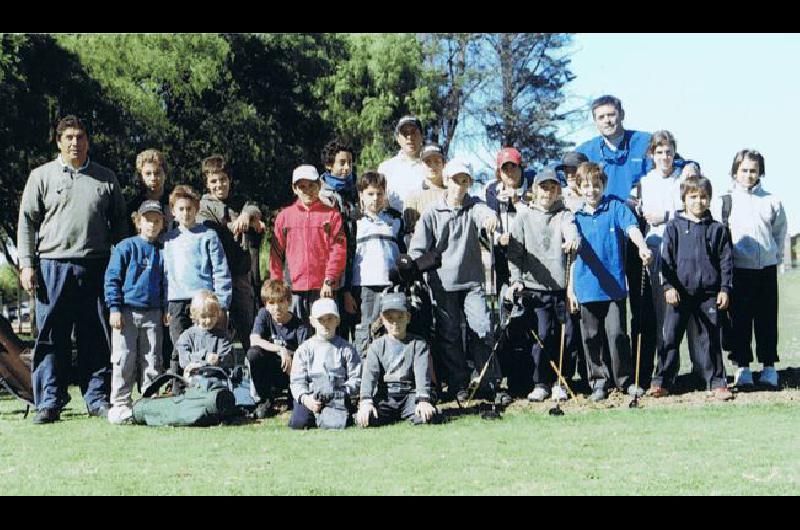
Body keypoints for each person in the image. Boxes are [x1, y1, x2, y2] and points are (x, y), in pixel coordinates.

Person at [18, 115, 128, 424]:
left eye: (80, 137)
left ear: (88, 141)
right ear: (58, 142)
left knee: (95, 334)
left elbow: (120, 223)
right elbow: (26, 222)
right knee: (52, 336)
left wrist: (120, 265)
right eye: (68, 137)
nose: (74, 142)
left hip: (96, 265)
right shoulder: (42, 176)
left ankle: (96, 397)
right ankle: (49, 400)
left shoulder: (105, 178)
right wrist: (27, 264)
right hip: (52, 265)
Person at [408, 159, 505, 404]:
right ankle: (458, 384)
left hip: (472, 282)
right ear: (446, 181)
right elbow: (417, 250)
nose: (459, 186)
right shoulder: (432, 212)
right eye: (455, 180)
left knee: (483, 329)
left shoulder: (474, 206)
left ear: (469, 183)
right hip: (442, 285)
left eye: (465, 181)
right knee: (449, 336)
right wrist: (417, 267)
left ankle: (488, 382)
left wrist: (491, 220)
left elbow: (485, 215)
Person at [568, 162, 652, 402]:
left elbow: (632, 229)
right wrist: (571, 289)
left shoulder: (616, 207)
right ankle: (598, 382)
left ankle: (624, 381)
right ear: (578, 188)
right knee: (591, 338)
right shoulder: (575, 216)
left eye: (596, 185)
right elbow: (573, 256)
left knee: (616, 335)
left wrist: (642, 247)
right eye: (585, 186)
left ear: (603, 185)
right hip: (586, 286)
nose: (591, 190)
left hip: (614, 286)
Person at [649, 176, 734, 400]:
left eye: (703, 197)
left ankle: (716, 382)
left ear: (709, 199)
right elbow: (665, 260)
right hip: (678, 293)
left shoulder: (718, 229)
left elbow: (726, 262)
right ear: (684, 199)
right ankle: (662, 382)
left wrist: (725, 289)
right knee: (670, 337)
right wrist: (668, 287)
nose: (699, 202)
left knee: (710, 338)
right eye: (693, 197)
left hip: (708, 294)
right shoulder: (674, 227)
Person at [713, 150, 787, 390]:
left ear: (760, 172)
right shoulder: (725, 201)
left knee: (766, 320)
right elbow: (720, 235)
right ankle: (742, 368)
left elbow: (779, 232)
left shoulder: (771, 200)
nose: (748, 175)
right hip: (738, 271)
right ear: (735, 171)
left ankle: (768, 368)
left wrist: (775, 258)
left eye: (753, 170)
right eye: (744, 170)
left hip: (765, 269)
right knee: (739, 323)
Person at [506, 168, 580, 402]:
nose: (547, 192)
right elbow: (514, 254)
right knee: (541, 336)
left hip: (561, 288)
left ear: (558, 190)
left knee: (567, 337)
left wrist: (572, 239)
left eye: (552, 187)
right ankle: (541, 383)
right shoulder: (524, 217)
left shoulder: (564, 215)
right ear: (534, 190)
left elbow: (572, 231)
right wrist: (516, 280)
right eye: (543, 187)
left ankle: (562, 381)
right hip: (534, 288)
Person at [104, 201, 168, 424]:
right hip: (126, 313)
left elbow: (166, 282)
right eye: (147, 219)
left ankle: (149, 402)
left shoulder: (162, 250)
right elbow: (112, 279)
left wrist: (165, 308)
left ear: (162, 223)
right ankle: (120, 404)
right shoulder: (126, 247)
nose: (152, 224)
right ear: (138, 222)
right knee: (123, 359)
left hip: (153, 313)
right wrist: (114, 308)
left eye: (157, 220)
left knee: (152, 359)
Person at [163, 185, 232, 377]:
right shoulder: (168, 239)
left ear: (197, 209)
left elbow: (220, 269)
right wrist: (164, 306)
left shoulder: (208, 235)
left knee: (209, 344)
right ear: (173, 212)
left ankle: (212, 385)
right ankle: (179, 387)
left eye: (189, 209)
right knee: (180, 346)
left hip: (204, 301)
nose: (186, 213)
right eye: (181, 209)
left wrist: (223, 302)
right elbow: (165, 274)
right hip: (176, 301)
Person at [197, 155, 264, 351]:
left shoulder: (240, 201)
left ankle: (254, 371)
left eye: (223, 180)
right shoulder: (203, 206)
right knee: (216, 326)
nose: (220, 185)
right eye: (214, 181)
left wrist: (247, 215)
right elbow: (210, 229)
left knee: (248, 325)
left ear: (230, 180)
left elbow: (253, 207)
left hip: (240, 273)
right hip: (215, 279)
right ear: (207, 183)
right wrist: (236, 224)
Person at [636, 131, 686, 390]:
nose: (664, 157)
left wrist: (665, 214)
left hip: (682, 250)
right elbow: (641, 210)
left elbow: (687, 209)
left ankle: (678, 371)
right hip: (656, 250)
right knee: (661, 314)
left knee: (680, 314)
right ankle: (661, 372)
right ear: (651, 155)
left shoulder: (683, 179)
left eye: (668, 152)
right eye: (659, 152)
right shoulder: (646, 181)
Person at [269, 165, 347, 322]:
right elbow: (276, 253)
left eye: (311, 185)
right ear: (294, 189)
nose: (307, 190)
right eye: (302, 187)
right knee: (296, 336)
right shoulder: (284, 216)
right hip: (293, 289)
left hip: (324, 288)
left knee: (324, 334)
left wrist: (329, 280)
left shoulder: (332, 215)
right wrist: (277, 284)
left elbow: (338, 249)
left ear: (319, 185)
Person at [356, 293, 440, 427]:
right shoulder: (376, 346)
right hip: (386, 395)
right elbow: (369, 375)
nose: (395, 323)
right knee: (368, 418)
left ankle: (422, 409)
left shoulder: (418, 344)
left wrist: (423, 399)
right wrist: (366, 401)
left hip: (410, 394)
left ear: (408, 317)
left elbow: (422, 373)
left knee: (425, 417)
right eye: (390, 318)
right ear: (383, 320)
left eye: (400, 317)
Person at [351, 172, 405, 355]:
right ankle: (364, 371)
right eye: (370, 194)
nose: (375, 199)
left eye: (379, 194)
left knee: (389, 325)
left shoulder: (395, 219)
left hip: (390, 284)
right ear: (361, 195)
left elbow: (402, 252)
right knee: (366, 326)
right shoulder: (354, 221)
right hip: (364, 285)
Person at [288, 298, 361, 430]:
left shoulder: (347, 349)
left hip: (338, 395)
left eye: (330, 319)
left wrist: (342, 393)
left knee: (344, 422)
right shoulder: (304, 350)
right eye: (321, 320)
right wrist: (307, 399)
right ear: (312, 322)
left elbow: (356, 378)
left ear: (337, 320)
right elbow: (297, 381)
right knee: (299, 422)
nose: (326, 323)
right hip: (311, 396)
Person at [247, 280, 312, 418]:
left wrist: (291, 358)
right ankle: (264, 400)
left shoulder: (300, 326)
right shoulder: (264, 314)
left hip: (291, 371)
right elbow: (254, 340)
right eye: (271, 303)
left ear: (288, 301)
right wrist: (281, 349)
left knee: (299, 361)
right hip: (270, 367)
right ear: (266, 304)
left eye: (281, 301)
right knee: (253, 354)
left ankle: (293, 395)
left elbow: (306, 357)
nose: (276, 307)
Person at [318, 139, 360, 340]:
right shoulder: (323, 195)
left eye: (350, 163)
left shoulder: (354, 193)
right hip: (331, 270)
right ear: (329, 165)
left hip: (352, 266)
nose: (347, 168)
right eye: (341, 162)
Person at [486, 147, 535, 293]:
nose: (509, 172)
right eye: (504, 169)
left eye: (513, 167)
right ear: (499, 172)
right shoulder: (492, 190)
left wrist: (517, 200)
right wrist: (499, 238)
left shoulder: (533, 187)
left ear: (521, 168)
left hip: (530, 252)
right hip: (503, 252)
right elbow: (489, 221)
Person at [175, 290, 234, 376]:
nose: (209, 320)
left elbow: (229, 359)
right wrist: (204, 356)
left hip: (216, 380)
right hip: (194, 380)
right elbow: (184, 359)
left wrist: (219, 360)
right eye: (204, 316)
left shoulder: (222, 337)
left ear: (218, 314)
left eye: (212, 316)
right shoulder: (187, 336)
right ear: (195, 315)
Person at [378, 115, 427, 214]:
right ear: (398, 138)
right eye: (405, 133)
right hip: (393, 226)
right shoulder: (385, 168)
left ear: (422, 136)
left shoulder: (431, 168)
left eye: (414, 132)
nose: (410, 137)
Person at [403, 143, 448, 237]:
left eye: (437, 161)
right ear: (421, 165)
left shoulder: (452, 194)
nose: (432, 166)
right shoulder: (412, 198)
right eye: (428, 162)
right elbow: (410, 234)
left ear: (444, 164)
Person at [127, 149, 173, 236]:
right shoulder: (134, 206)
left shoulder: (176, 201)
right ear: (141, 177)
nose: (153, 178)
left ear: (165, 174)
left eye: (157, 173)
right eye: (148, 174)